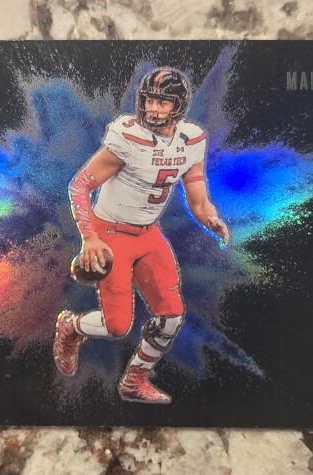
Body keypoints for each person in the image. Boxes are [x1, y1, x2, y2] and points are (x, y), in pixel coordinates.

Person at [53, 67, 229, 404]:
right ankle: (71, 325)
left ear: (178, 105)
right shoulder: (128, 136)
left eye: (162, 102)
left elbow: (197, 199)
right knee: (117, 326)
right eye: (149, 100)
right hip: (110, 234)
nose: (153, 108)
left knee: (171, 317)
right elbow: (79, 185)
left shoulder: (191, 139)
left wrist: (211, 218)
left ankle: (134, 380)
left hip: (148, 235)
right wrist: (90, 237)